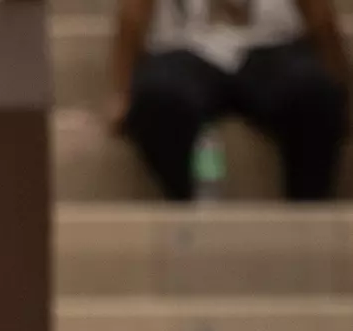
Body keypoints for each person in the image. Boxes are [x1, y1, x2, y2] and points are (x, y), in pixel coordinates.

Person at [108, 0, 348, 199]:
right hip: (184, 48)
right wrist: (122, 94)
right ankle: (189, 204)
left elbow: (320, 15)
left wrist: (342, 88)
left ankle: (305, 214)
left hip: (272, 46)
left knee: (314, 94)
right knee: (157, 98)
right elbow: (132, 15)